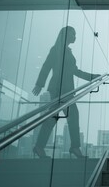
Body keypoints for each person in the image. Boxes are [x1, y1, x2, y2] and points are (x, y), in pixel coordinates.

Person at [32, 26, 100, 159]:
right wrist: (40, 84)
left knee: (55, 117)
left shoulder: (67, 51)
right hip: (59, 89)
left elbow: (75, 71)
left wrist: (92, 77)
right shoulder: (56, 49)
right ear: (66, 35)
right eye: (73, 34)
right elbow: (46, 66)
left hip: (66, 89)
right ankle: (73, 147)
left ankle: (41, 147)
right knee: (68, 116)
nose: (75, 37)